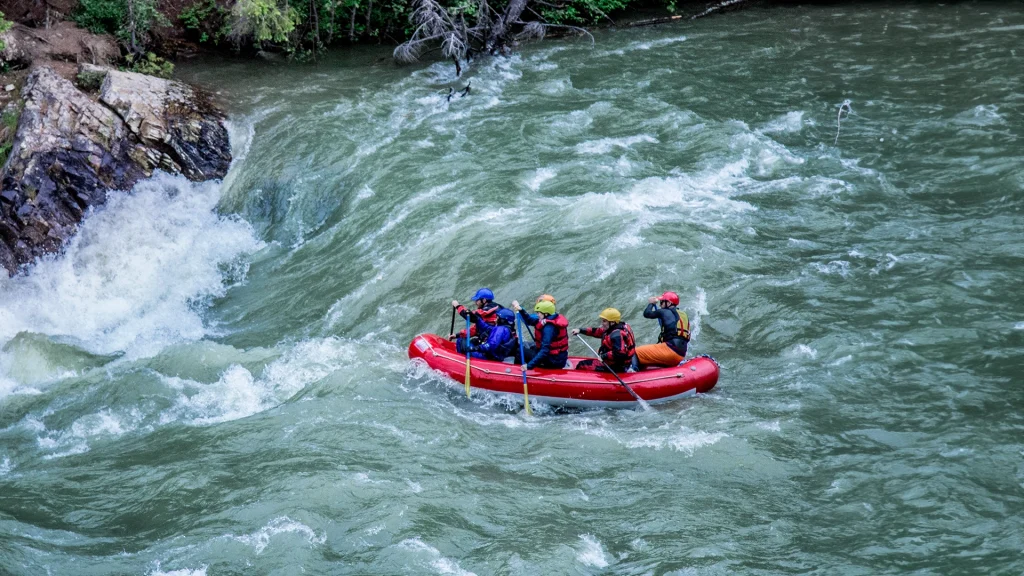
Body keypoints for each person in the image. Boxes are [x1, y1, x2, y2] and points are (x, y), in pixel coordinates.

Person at [634, 291, 689, 369]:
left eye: (662, 302)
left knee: (635, 352)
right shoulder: (684, 314)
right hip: (681, 354)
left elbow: (647, 313)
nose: (660, 305)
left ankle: (631, 373)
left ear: (669, 303)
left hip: (670, 351)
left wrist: (651, 303)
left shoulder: (664, 311)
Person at [511, 298, 569, 370]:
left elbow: (545, 350)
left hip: (553, 361)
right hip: (557, 357)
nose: (537, 314)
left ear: (546, 314)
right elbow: (529, 321)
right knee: (532, 347)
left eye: (538, 313)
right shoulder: (549, 319)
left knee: (519, 351)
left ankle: (518, 372)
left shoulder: (549, 328)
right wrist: (521, 310)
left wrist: (528, 366)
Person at [572, 308, 636, 372]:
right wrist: (580, 330)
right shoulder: (617, 328)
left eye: (604, 321)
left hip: (616, 366)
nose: (602, 323)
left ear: (612, 322)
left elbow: (619, 353)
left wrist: (603, 356)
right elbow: (597, 331)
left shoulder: (617, 335)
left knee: (581, 365)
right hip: (619, 362)